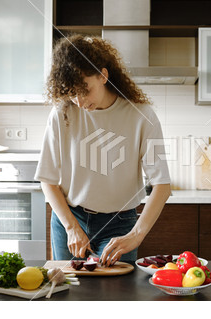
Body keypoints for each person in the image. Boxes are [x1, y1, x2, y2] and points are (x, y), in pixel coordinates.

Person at [34, 34, 171, 266]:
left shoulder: (142, 116)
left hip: (119, 223)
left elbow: (162, 185)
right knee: (68, 294)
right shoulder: (62, 113)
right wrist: (71, 227)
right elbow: (47, 180)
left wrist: (135, 236)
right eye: (71, 92)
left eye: (84, 90)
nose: (78, 101)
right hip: (70, 217)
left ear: (103, 76)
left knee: (115, 296)